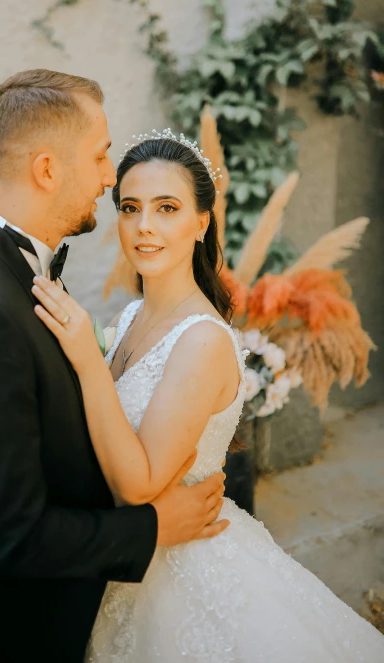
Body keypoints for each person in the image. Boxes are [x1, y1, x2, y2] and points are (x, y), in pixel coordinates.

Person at [0, 71, 229, 663]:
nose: (110, 177)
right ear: (49, 170)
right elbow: (7, 533)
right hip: (6, 636)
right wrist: (154, 526)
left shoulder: (20, 283)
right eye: (102, 155)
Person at [33, 129, 384, 662]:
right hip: (124, 562)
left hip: (183, 578)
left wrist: (84, 359)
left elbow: (138, 485)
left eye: (166, 208)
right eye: (130, 208)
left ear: (201, 222)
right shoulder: (129, 317)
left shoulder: (201, 339)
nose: (144, 226)